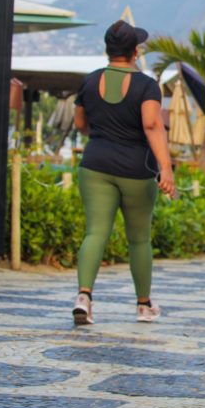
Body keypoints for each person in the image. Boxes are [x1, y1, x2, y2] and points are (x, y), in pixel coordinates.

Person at [71, 20, 175, 325]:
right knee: (139, 239)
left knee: (95, 232)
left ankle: (84, 296)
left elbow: (80, 124)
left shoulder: (89, 82)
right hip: (136, 170)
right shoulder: (146, 85)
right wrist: (166, 169)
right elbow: (152, 125)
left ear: (107, 49)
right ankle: (143, 305)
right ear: (134, 51)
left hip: (95, 165)